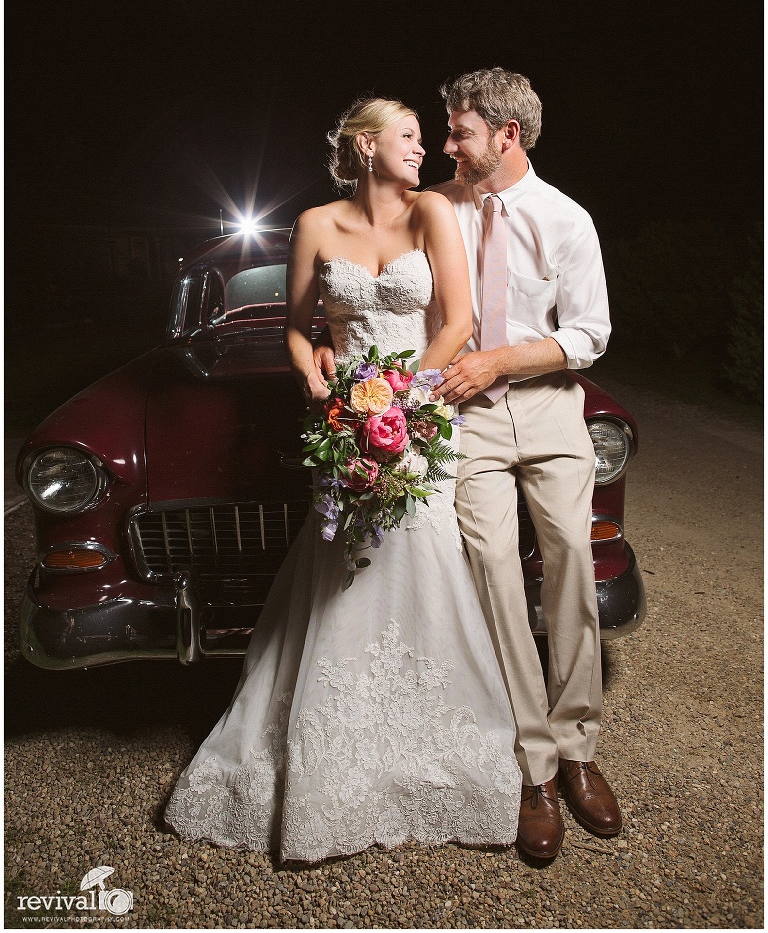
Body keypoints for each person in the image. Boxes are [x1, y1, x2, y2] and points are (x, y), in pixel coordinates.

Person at [164, 97, 522, 863]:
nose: (423, 149)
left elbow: (455, 322)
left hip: (417, 413)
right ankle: (332, 748)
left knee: (423, 560)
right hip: (342, 421)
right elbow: (300, 329)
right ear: (365, 146)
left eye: (426, 139)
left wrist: (401, 397)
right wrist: (318, 381)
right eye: (408, 137)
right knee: (343, 565)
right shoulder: (317, 225)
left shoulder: (432, 211)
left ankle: (432, 738)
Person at [429, 67, 621, 862]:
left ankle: (580, 748)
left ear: (506, 135)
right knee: (495, 576)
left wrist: (503, 361)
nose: (448, 145)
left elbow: (589, 334)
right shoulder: (435, 209)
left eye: (460, 132)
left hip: (545, 406)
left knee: (574, 557)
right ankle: (532, 765)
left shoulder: (566, 220)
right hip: (463, 419)